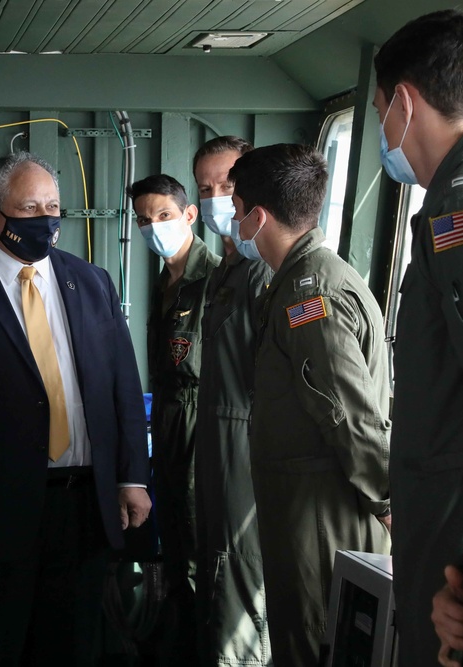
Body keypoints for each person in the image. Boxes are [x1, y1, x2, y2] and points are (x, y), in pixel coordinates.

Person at [0, 151, 151, 666]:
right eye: (30, 207)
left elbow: (122, 387)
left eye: (53, 205)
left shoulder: (92, 281)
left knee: (70, 646)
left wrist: (132, 477)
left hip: (82, 505)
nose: (46, 218)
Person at [228, 143, 391, 666]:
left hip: (326, 514)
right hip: (304, 508)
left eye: (235, 209)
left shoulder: (308, 294)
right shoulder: (298, 281)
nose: (232, 221)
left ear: (259, 215)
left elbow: (349, 412)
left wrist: (389, 501)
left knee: (317, 643)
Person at [372, 11, 463, 667]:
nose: (384, 135)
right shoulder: (453, 200)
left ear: (404, 103)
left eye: (378, 113)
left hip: (462, 539)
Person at [128, 173, 218, 665]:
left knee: (199, 551)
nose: (153, 227)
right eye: (144, 220)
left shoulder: (216, 278)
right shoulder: (167, 280)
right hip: (165, 422)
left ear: (188, 214)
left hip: (200, 425)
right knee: (173, 541)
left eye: (163, 215)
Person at [192, 136, 273, 667]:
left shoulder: (265, 272)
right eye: (206, 188)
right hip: (216, 450)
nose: (217, 197)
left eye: (229, 186)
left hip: (249, 452)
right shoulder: (223, 271)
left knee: (242, 587)